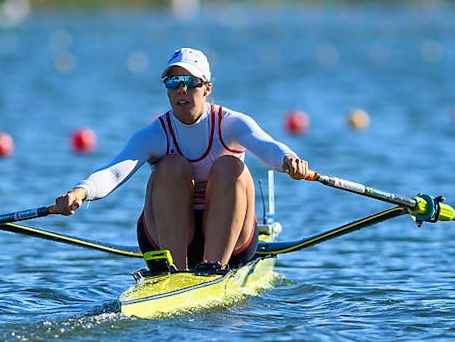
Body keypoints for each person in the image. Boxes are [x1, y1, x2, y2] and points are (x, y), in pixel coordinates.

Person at [55, 47, 309, 273]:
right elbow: (113, 172)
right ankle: (175, 271)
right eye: (173, 82)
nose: (181, 89)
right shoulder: (155, 133)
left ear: (207, 87)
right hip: (166, 237)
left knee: (230, 166)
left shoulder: (232, 124)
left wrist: (288, 159)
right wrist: (80, 192)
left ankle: (214, 265)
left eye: (190, 81)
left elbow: (267, 146)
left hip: (231, 241)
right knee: (171, 166)